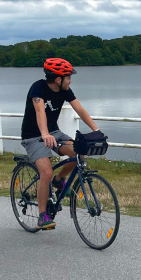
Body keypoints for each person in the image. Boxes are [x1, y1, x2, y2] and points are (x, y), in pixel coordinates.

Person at [20, 58, 99, 230]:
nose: (70, 80)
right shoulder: (38, 88)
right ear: (58, 79)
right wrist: (44, 134)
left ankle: (59, 180)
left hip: (53, 133)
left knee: (79, 152)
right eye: (68, 77)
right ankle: (42, 216)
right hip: (33, 137)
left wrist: (95, 130)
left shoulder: (65, 90)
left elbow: (80, 109)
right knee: (46, 172)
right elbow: (40, 110)